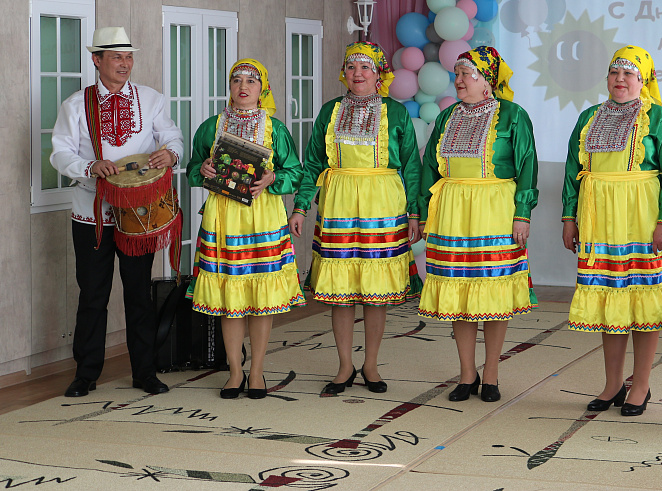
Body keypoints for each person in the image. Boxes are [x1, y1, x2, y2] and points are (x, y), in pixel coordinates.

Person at [50, 26, 183, 398]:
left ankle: (145, 372)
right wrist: (89, 166)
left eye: (128, 57)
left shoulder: (151, 99)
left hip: (139, 213)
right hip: (91, 214)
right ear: (97, 60)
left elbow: (173, 137)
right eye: (116, 57)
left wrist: (170, 154)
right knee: (93, 294)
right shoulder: (76, 105)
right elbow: (60, 153)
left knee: (139, 293)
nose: (125, 64)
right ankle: (86, 374)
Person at [289, 41, 422, 395]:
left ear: (379, 75)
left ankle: (371, 365)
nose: (357, 74)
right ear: (343, 73)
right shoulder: (329, 111)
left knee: (375, 291)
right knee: (342, 290)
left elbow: (412, 164)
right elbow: (313, 162)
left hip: (383, 203)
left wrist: (415, 212)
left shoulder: (396, 112)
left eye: (365, 67)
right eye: (351, 67)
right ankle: (344, 366)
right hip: (340, 204)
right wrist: (301, 206)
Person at [562, 45, 662, 417]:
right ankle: (613, 383)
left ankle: (641, 384)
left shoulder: (658, 118)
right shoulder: (589, 117)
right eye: (615, 72)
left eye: (628, 73)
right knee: (610, 299)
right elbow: (572, 170)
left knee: (643, 299)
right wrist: (569, 217)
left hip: (641, 217)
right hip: (599, 218)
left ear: (643, 80)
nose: (620, 79)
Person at [417, 45, 538, 403]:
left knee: (492, 290)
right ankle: (467, 373)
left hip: (494, 210)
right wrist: (424, 213)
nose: (458, 80)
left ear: (487, 80)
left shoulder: (513, 115)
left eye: (465, 74)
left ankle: (492, 374)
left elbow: (527, 165)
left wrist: (522, 213)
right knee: (461, 291)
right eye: (456, 74)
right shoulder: (447, 116)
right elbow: (429, 167)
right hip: (453, 210)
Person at [188, 58, 305, 399]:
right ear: (230, 86)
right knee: (231, 294)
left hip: (263, 215)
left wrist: (272, 178)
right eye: (236, 80)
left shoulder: (275, 129)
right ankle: (235, 372)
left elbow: (295, 171)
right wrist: (203, 169)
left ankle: (257, 371)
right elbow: (193, 168)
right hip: (223, 216)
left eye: (251, 81)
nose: (243, 86)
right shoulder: (211, 126)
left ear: (262, 88)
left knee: (260, 295)